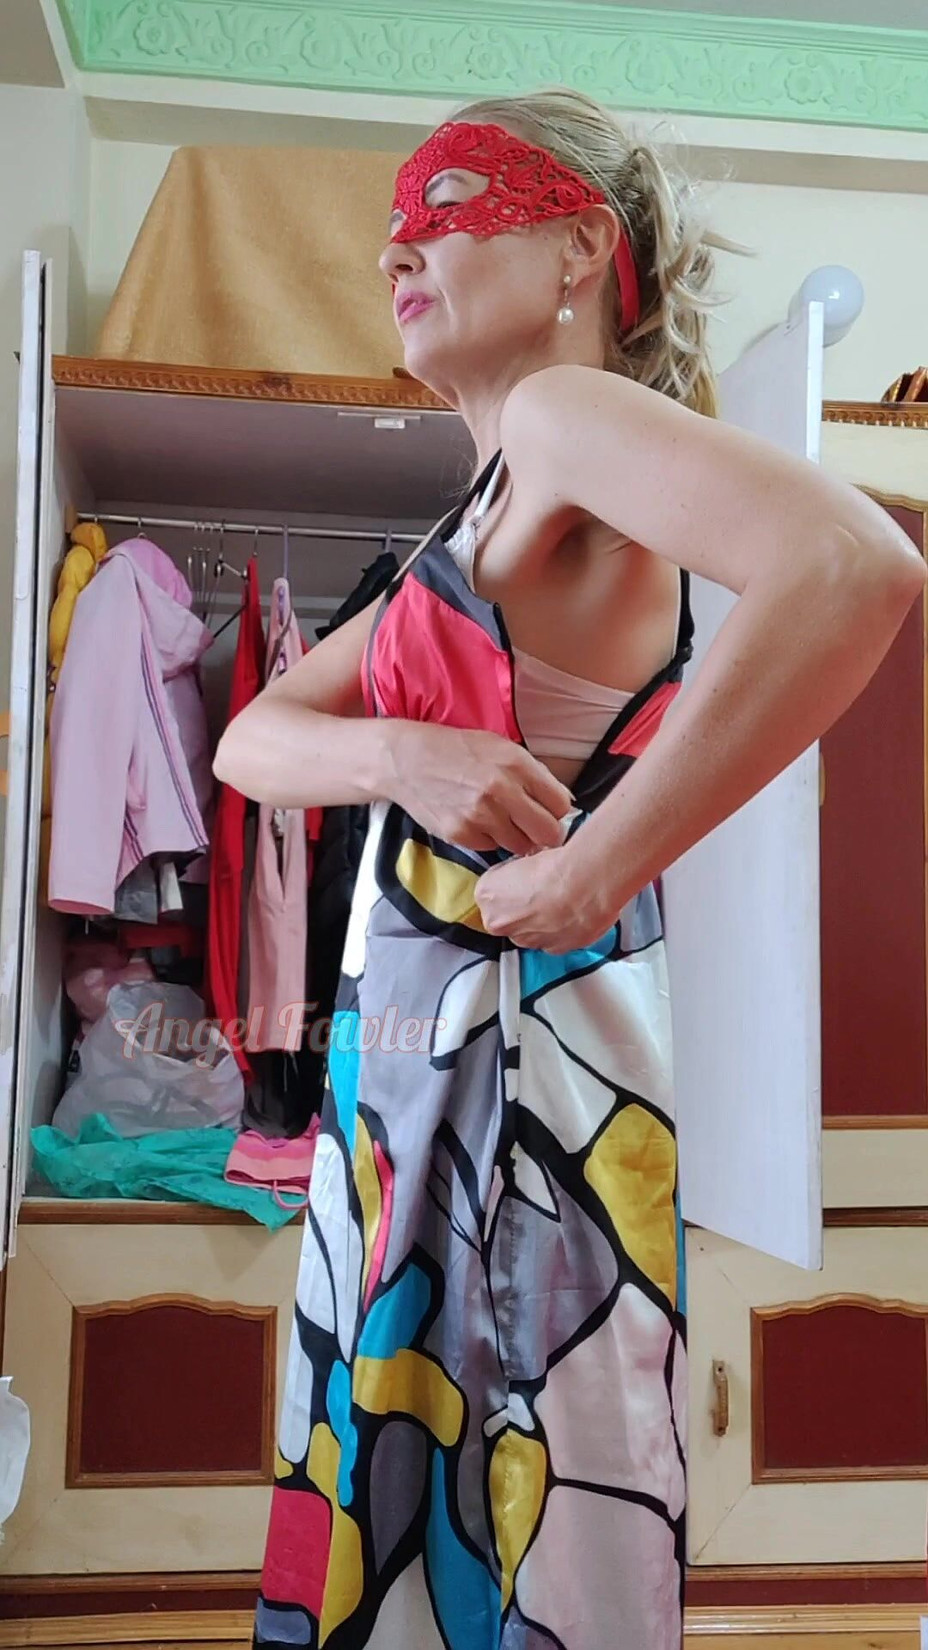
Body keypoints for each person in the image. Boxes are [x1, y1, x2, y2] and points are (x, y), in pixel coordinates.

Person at [215, 90, 925, 1650]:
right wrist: (406, 754)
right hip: (419, 1094)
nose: (395, 248)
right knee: (468, 1495)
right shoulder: (480, 501)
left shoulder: (559, 418)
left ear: (580, 249)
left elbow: (856, 564)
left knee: (516, 1507)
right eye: (392, 226)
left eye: (445, 206)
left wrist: (603, 863)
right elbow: (252, 741)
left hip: (515, 1087)